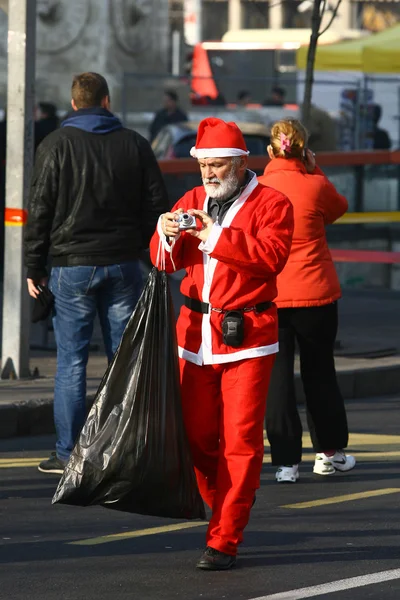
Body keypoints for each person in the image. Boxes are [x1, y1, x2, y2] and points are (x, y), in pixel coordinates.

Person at [150, 117, 294, 570]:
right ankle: (226, 508)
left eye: (217, 165)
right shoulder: (193, 199)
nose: (209, 174)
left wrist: (212, 236)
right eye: (204, 166)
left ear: (240, 162)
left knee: (241, 442)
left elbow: (271, 258)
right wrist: (164, 234)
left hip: (247, 338)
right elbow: (162, 263)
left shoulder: (273, 202)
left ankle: (225, 536)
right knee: (194, 440)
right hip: (194, 338)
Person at [24, 72, 169, 475]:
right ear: (107, 102)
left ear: (74, 104)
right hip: (124, 263)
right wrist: (140, 245)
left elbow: (40, 211)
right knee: (124, 360)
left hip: (71, 266)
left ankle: (68, 454)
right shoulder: (134, 144)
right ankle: (124, 448)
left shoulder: (54, 145)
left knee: (71, 362)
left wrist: (34, 266)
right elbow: (157, 204)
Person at [258, 118, 355, 484]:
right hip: (317, 295)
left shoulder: (260, 188)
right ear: (304, 150)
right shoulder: (315, 186)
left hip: (273, 297)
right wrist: (316, 170)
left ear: (271, 150)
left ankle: (285, 463)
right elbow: (338, 208)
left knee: (277, 379)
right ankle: (329, 453)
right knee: (320, 374)